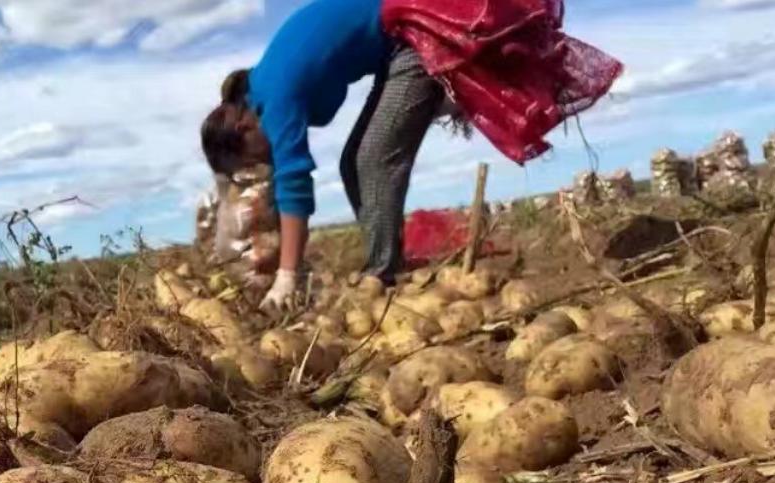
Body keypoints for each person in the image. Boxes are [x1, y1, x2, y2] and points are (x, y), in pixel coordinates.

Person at [201, 0, 622, 310]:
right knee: (353, 163)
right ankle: (383, 265)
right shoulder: (266, 84)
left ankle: (382, 276)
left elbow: (295, 181)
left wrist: (287, 276)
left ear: (242, 128)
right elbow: (327, 100)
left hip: (413, 35)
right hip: (393, 42)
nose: (266, 163)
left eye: (255, 158)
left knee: (373, 159)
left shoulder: (272, 99)